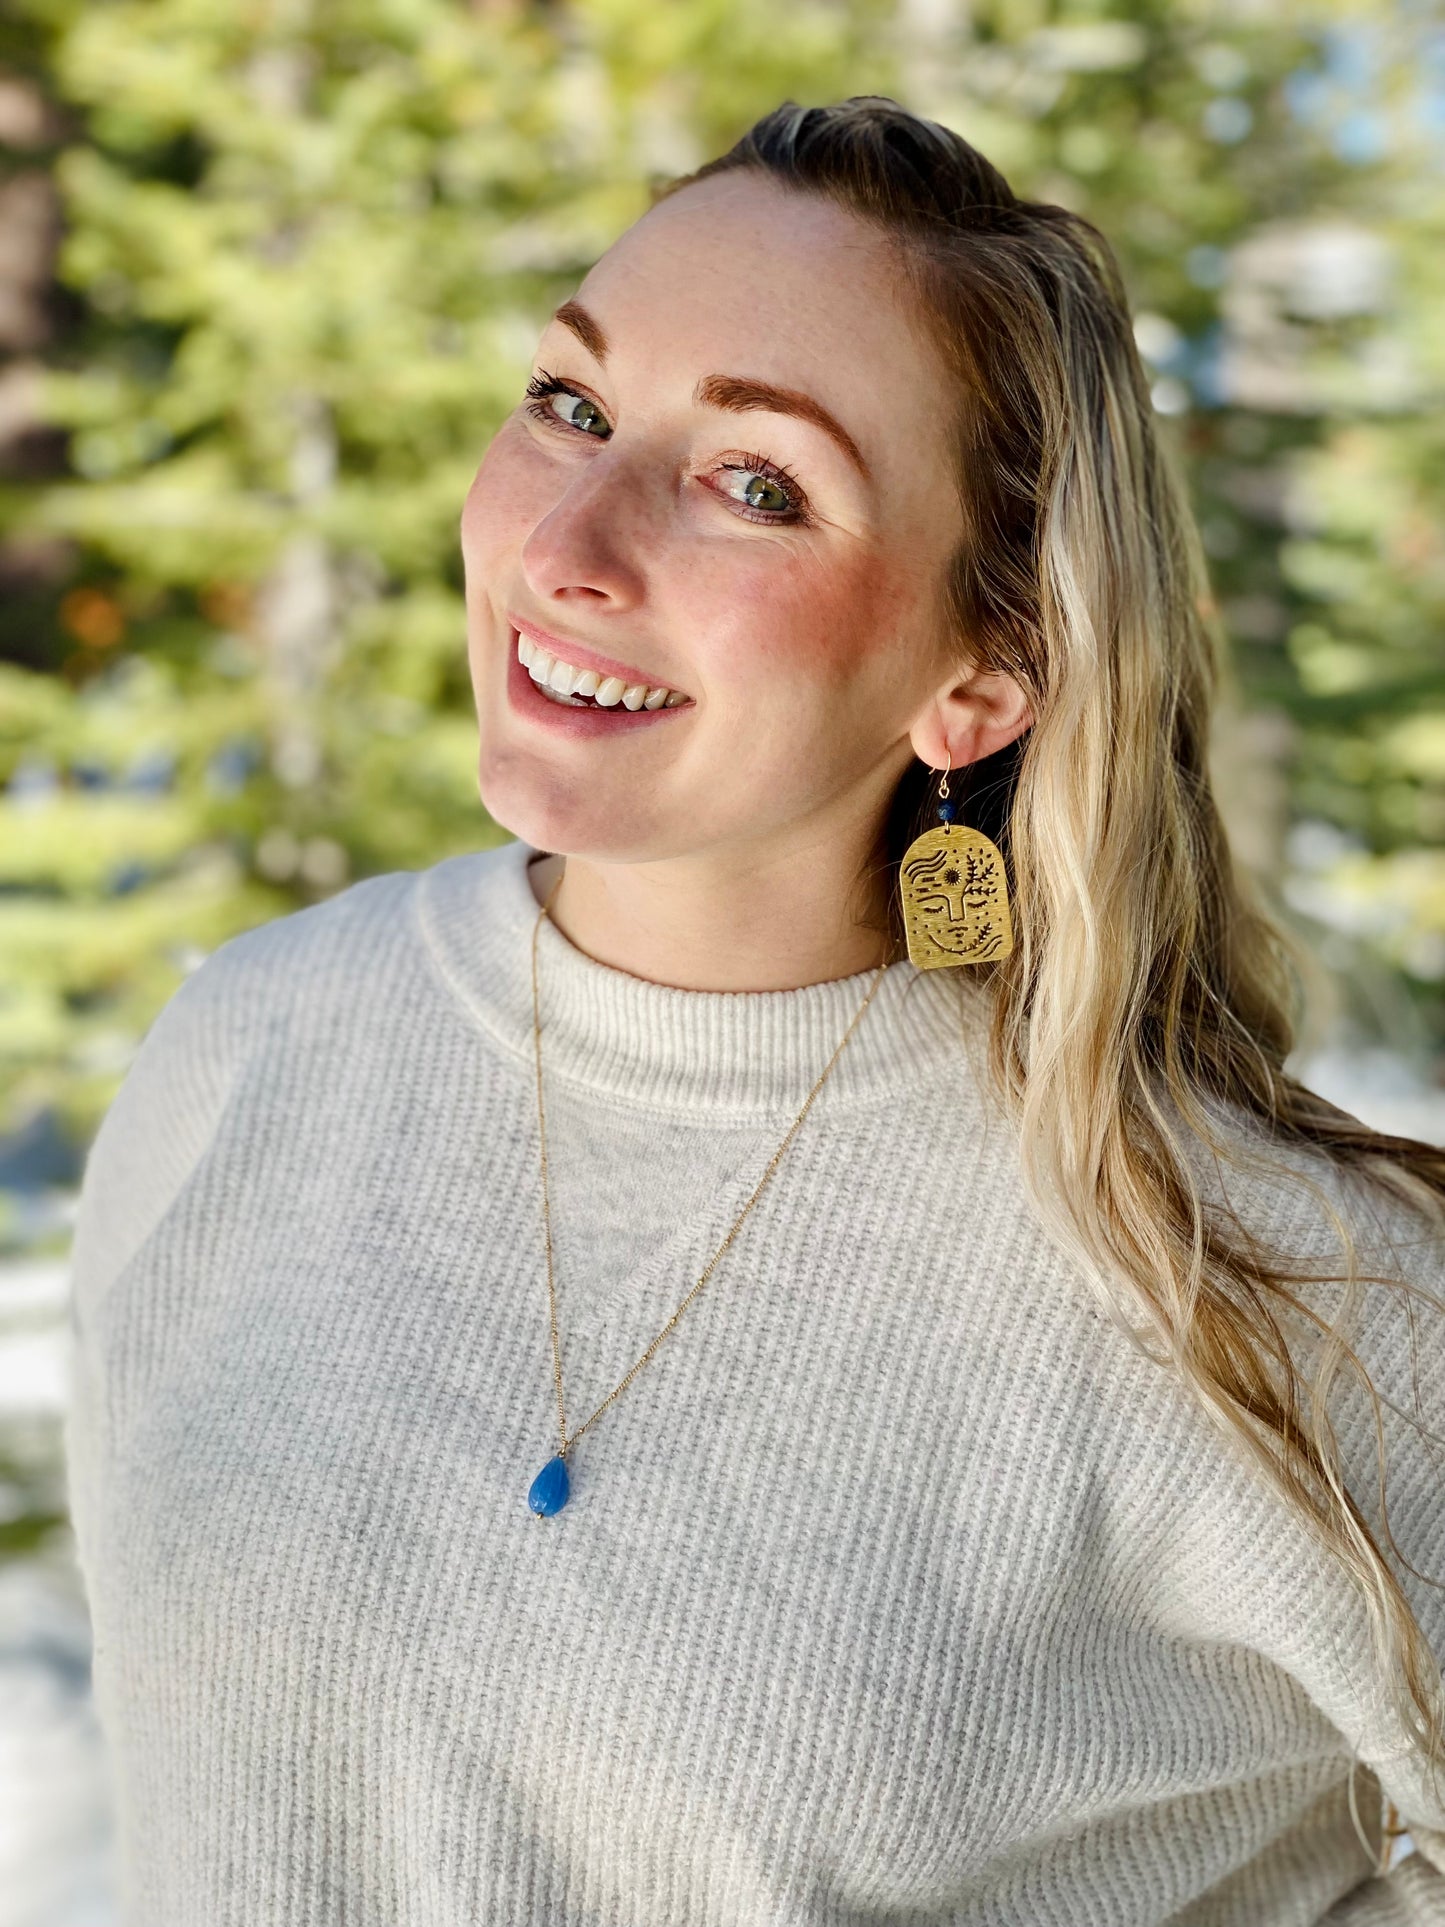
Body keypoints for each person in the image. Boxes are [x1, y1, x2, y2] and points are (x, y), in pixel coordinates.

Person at [64, 95, 1445, 1924]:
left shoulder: (1269, 1294)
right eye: (571, 402)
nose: (571, 542)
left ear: (983, 673)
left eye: (755, 485)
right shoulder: (250, 1048)